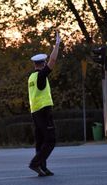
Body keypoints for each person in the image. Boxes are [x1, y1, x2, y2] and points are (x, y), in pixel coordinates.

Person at [28, 31, 61, 176]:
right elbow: (52, 62)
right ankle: (35, 163)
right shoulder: (41, 76)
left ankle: (42, 167)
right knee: (51, 140)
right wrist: (57, 45)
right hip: (43, 111)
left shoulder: (31, 77)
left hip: (35, 112)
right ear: (42, 64)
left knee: (40, 141)